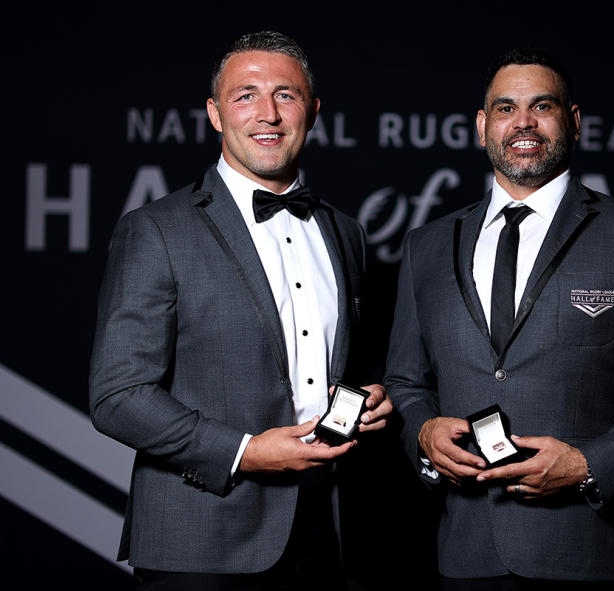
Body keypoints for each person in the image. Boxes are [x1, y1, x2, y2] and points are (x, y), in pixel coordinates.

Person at [385, 47, 614, 586]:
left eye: (542, 107)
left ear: (574, 121)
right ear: (481, 125)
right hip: (466, 554)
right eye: (505, 108)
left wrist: (590, 465)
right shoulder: (427, 246)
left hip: (591, 554)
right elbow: (404, 379)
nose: (523, 123)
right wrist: (422, 432)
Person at [89, 31, 390, 590]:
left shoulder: (344, 232)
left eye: (286, 95)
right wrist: (244, 452)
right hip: (201, 541)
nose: (268, 114)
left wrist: (369, 395)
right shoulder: (156, 229)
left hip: (328, 533)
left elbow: (350, 363)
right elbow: (118, 396)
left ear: (313, 111)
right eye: (245, 95)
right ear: (214, 113)